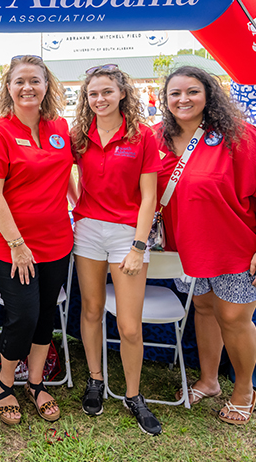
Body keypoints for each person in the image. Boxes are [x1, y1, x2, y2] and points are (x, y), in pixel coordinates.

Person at [154, 66, 256, 426]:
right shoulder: (157, 138)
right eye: (175, 93)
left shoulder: (238, 136)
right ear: (164, 100)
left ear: (209, 95)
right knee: (204, 310)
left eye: (192, 91)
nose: (183, 99)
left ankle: (244, 389)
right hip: (186, 249)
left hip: (236, 249)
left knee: (234, 317)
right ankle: (209, 381)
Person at [0, 54, 75, 425]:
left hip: (56, 240)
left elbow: (65, 173)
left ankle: (35, 383)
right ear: (8, 87)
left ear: (47, 86)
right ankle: (5, 384)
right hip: (7, 243)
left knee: (45, 313)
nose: (27, 87)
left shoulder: (60, 128)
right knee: (23, 314)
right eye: (20, 81)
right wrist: (17, 245)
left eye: (35, 80)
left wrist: (79, 205)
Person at [70, 65, 163, 435]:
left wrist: (139, 246)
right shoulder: (79, 135)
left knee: (128, 326)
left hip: (128, 235)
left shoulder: (142, 136)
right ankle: (95, 380)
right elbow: (65, 176)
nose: (100, 99)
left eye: (107, 91)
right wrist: (81, 205)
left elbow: (149, 197)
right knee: (91, 310)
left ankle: (134, 395)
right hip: (88, 231)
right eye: (93, 93)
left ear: (122, 92)